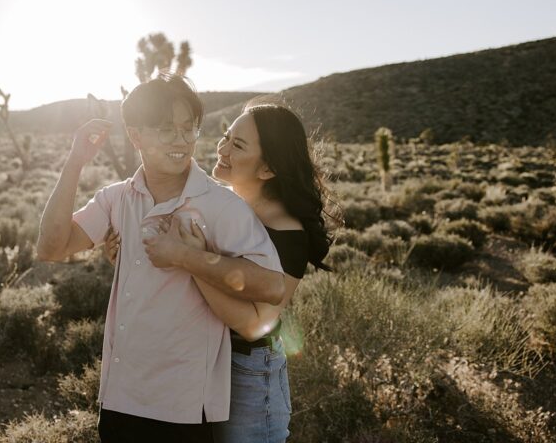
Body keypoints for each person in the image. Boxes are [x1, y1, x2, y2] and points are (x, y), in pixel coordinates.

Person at [35, 76, 286, 442]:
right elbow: (51, 248)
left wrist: (187, 257)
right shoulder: (117, 198)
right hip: (120, 397)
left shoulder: (221, 206)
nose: (182, 140)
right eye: (166, 129)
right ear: (136, 136)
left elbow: (272, 285)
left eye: (189, 129)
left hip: (183, 408)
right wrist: (75, 162)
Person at [105, 100, 337, 443]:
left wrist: (189, 260)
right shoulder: (216, 205)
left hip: (246, 373)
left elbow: (252, 324)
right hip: (195, 361)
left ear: (268, 168)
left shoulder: (286, 233)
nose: (222, 148)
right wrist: (130, 258)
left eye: (238, 145)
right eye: (226, 136)